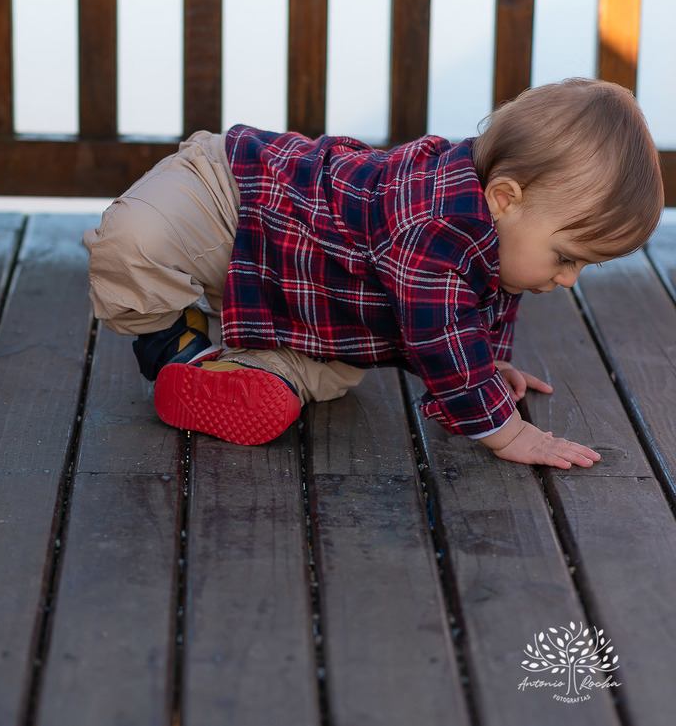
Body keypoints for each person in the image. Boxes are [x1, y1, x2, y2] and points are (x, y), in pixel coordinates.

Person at [84, 78, 664, 469]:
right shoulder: (437, 222)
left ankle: (239, 372)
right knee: (135, 240)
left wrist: (489, 365)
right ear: (505, 197)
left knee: (328, 377)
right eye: (567, 257)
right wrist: (508, 432)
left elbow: (470, 311)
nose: (568, 280)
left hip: (307, 302)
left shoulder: (495, 233)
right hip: (233, 201)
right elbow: (439, 328)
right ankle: (175, 346)